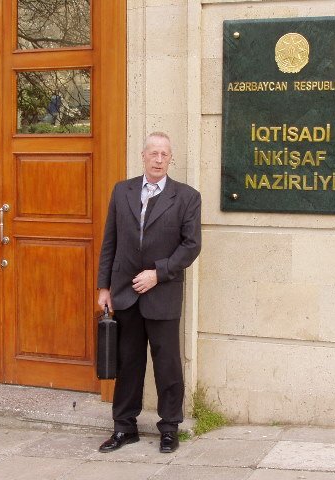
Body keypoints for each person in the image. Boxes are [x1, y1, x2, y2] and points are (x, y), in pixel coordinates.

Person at [97, 132, 202, 454]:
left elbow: (191, 245)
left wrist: (159, 273)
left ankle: (169, 428)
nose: (158, 159)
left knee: (167, 364)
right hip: (125, 293)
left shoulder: (186, 197)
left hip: (163, 293)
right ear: (143, 156)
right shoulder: (122, 190)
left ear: (171, 159)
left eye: (164, 154)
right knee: (128, 363)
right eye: (153, 153)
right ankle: (124, 427)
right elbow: (110, 241)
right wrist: (104, 287)